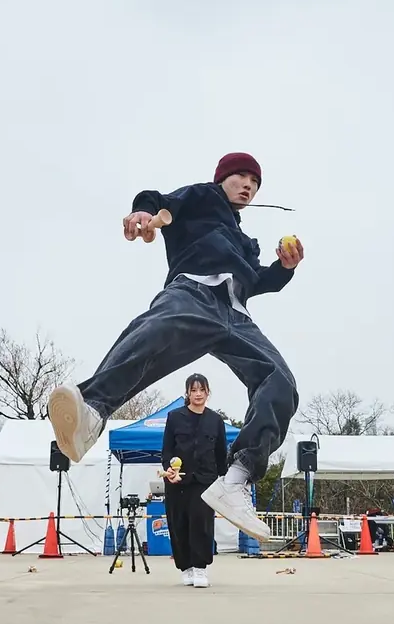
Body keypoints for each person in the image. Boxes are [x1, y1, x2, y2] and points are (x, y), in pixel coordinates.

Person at [46, 152, 302, 541]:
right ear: (223, 179)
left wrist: (284, 267)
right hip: (194, 291)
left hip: (236, 314)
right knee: (156, 330)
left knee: (280, 382)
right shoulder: (203, 197)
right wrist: (142, 214)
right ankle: (92, 410)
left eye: (255, 182)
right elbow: (157, 198)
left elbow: (258, 281)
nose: (248, 186)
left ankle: (236, 479)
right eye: (240, 177)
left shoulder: (246, 242)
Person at [161, 373, 227, 589]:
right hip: (177, 481)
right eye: (193, 390)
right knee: (178, 524)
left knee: (201, 524)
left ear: (208, 392)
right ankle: (186, 567)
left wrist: (224, 482)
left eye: (202, 390)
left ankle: (200, 568)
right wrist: (168, 470)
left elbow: (221, 454)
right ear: (187, 393)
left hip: (205, 481)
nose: (198, 394)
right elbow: (167, 450)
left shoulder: (216, 420)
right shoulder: (174, 417)